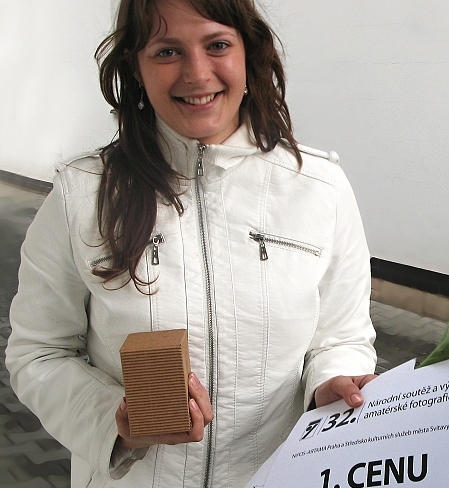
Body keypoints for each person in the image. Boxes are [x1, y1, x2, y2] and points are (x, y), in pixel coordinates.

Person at [6, 0, 377, 486]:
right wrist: (114, 420)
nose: (197, 74)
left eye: (217, 45)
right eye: (167, 51)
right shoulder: (83, 194)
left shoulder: (319, 188)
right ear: (135, 68)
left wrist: (331, 383)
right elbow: (38, 352)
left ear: (249, 54)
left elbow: (342, 337)